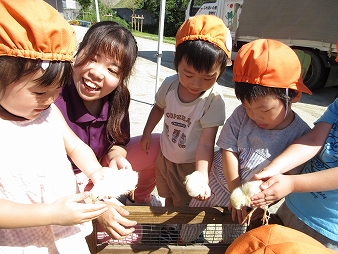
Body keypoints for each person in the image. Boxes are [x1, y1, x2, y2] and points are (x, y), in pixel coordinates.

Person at [0, 1, 111, 253]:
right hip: (20, 242)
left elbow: (74, 145)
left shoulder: (48, 113)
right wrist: (51, 213)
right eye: (39, 91)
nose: (50, 99)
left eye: (56, 90)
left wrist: (95, 170)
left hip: (64, 234)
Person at [179, 39, 313, 243]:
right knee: (192, 223)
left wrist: (259, 202)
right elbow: (228, 150)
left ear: (293, 95)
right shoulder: (242, 114)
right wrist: (235, 190)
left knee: (233, 239)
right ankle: (183, 243)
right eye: (248, 107)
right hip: (216, 183)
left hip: (249, 201)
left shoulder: (302, 135)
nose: (255, 116)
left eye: (264, 110)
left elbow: (286, 178)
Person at [54, 21, 163, 240]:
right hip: (62, 177)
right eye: (92, 58)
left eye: (112, 69)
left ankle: (139, 199)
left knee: (158, 144)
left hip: (98, 168)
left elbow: (117, 142)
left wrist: (116, 157)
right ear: (79, 50)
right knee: (125, 235)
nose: (96, 73)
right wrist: (97, 208)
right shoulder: (52, 94)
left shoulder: (119, 97)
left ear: (122, 77)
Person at [250, 42, 338, 251]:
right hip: (293, 206)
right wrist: (276, 168)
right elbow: (314, 139)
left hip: (327, 228)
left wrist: (291, 184)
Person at [140, 14, 231, 208]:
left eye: (208, 78)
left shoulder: (213, 99)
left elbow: (206, 144)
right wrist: (147, 132)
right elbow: (158, 108)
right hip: (165, 156)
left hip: (190, 164)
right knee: (167, 194)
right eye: (188, 74)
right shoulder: (170, 85)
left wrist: (201, 176)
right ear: (176, 60)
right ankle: (168, 227)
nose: (196, 84)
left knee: (184, 203)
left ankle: (178, 233)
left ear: (222, 70)